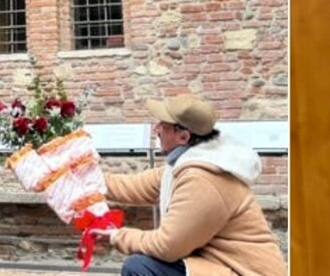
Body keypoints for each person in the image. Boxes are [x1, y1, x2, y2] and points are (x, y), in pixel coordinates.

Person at [93, 93, 286, 276]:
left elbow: (166, 246)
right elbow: (133, 186)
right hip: (217, 266)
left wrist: (115, 235)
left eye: (163, 125)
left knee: (139, 268)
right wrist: (84, 178)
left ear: (183, 137)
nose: (156, 129)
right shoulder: (185, 165)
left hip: (244, 272)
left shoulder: (203, 179)